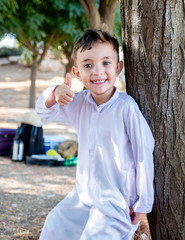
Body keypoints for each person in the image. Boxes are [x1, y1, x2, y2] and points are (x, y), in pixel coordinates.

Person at [36, 29, 155, 240]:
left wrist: (143, 204)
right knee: (55, 224)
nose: (97, 72)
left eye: (106, 63)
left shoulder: (126, 108)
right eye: (88, 65)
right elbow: (44, 112)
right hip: (82, 198)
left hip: (115, 204)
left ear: (118, 67)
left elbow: (143, 154)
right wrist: (55, 92)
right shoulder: (80, 102)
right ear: (77, 72)